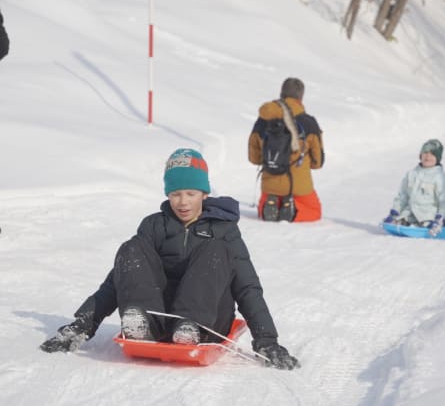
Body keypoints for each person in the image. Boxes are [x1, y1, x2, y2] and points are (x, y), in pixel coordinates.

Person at [40, 148, 300, 370]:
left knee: (215, 250)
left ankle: (190, 326)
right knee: (131, 249)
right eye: (175, 194)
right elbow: (119, 279)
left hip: (208, 319)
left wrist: (267, 340)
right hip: (162, 315)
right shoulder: (155, 226)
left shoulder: (223, 230)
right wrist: (82, 325)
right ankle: (143, 323)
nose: (183, 202)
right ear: (167, 194)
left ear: (204, 194)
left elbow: (247, 287)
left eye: (191, 193)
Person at [248, 77, 325, 222]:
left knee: (268, 199)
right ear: (300, 98)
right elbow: (317, 163)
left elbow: (254, 158)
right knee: (314, 211)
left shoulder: (263, 120)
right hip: (299, 187)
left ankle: (269, 204)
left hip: (269, 185)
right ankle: (293, 209)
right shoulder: (309, 122)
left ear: (282, 94)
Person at [383, 139, 445, 237]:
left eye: (432, 154)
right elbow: (402, 196)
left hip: (429, 215)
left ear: (437, 158)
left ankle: (439, 226)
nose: (427, 156)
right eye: (425, 153)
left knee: (428, 224)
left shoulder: (441, 177)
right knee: (398, 221)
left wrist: (440, 217)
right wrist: (395, 211)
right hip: (410, 213)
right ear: (420, 155)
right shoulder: (411, 174)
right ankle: (404, 224)